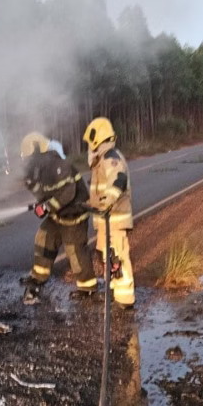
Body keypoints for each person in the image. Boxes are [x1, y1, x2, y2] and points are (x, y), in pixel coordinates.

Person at [19, 132, 96, 305]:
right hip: (58, 215)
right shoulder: (41, 169)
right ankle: (38, 277)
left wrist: (46, 207)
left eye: (29, 158)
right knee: (43, 238)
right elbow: (44, 193)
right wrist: (32, 185)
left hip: (73, 215)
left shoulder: (58, 165)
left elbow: (67, 193)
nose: (27, 162)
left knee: (75, 251)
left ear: (38, 152)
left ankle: (87, 288)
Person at [82, 117, 135, 308]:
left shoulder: (110, 157)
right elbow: (100, 191)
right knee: (107, 257)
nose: (89, 146)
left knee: (118, 258)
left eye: (90, 142)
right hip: (106, 220)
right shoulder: (101, 161)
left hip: (114, 219)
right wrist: (91, 203)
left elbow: (118, 180)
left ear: (97, 139)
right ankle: (116, 293)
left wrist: (107, 201)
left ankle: (125, 300)